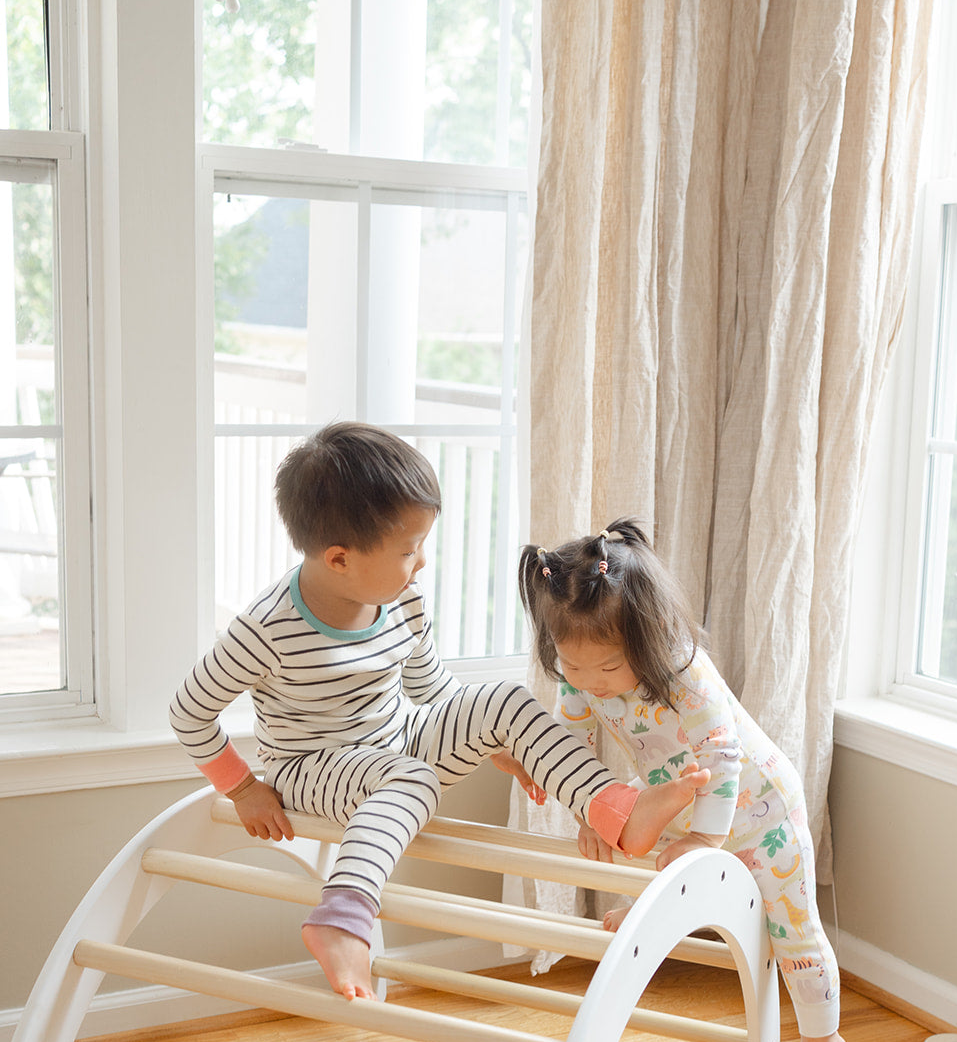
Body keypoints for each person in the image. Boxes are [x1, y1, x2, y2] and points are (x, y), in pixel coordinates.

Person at [170, 425, 708, 1004]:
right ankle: (342, 917)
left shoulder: (399, 596)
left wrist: (507, 742)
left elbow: (432, 688)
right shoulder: (266, 628)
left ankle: (617, 812)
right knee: (413, 777)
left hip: (396, 740)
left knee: (503, 700)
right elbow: (189, 712)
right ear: (339, 559)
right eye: (408, 550)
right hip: (308, 766)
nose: (422, 563)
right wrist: (244, 787)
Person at [518, 518, 847, 1042]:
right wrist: (586, 805)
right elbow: (572, 738)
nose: (589, 683)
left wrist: (705, 837)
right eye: (573, 666)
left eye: (608, 670)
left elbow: (724, 755)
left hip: (755, 804)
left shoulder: (683, 671)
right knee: (632, 815)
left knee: (795, 932)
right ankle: (657, 902)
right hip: (684, 791)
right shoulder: (579, 671)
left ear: (647, 637)